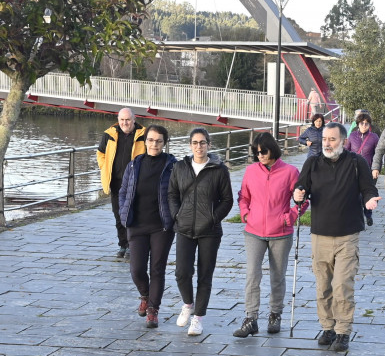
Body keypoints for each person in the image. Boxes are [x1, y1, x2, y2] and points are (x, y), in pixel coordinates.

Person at [293, 123, 380, 352]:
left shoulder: (355, 162)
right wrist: (298, 193)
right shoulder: (313, 162)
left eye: (332, 139)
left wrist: (370, 200)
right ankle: (328, 327)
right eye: (324, 139)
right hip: (320, 234)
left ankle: (343, 331)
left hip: (347, 235)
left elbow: (368, 188)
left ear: (342, 140)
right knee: (323, 287)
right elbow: (301, 187)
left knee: (342, 285)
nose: (327, 143)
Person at [233, 132, 302, 338]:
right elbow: (243, 196)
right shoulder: (250, 171)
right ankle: (251, 318)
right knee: (252, 275)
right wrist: (245, 213)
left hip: (280, 232)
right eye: (256, 152)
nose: (260, 155)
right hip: (253, 231)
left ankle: (275, 314)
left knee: (277, 276)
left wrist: (289, 217)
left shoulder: (290, 172)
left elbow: (302, 200)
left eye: (263, 151)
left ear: (273, 148)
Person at [168, 128, 234, 336]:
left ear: (209, 145)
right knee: (182, 272)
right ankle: (188, 304)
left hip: (210, 231)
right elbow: (172, 193)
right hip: (185, 227)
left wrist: (214, 218)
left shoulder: (219, 170)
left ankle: (198, 318)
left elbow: (227, 200)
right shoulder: (180, 167)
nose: (199, 146)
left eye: (203, 143)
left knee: (205, 275)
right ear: (190, 145)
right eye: (195, 143)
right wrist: (177, 214)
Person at [118, 125, 176, 328]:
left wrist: (174, 215)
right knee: (137, 269)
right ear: (145, 142)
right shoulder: (135, 164)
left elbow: (179, 192)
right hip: (136, 224)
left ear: (164, 143)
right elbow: (123, 191)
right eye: (150, 140)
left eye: (158, 141)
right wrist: (124, 211)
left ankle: (153, 309)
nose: (154, 144)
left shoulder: (172, 165)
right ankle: (145, 294)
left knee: (157, 269)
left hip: (161, 226)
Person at [97, 107, 147, 259]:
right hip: (116, 182)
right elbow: (101, 153)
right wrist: (105, 168)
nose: (125, 123)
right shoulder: (109, 134)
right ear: (118, 120)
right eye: (122, 120)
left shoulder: (143, 134)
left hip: (135, 182)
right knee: (119, 215)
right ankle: (123, 245)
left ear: (134, 119)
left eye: (128, 120)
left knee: (133, 215)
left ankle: (133, 246)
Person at [346, 112, 379, 224]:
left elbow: (378, 154)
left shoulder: (374, 137)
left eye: (366, 123)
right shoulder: (352, 136)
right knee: (355, 193)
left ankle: (368, 214)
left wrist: (376, 168)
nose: (364, 125)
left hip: (368, 170)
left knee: (368, 193)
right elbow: (346, 152)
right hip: (353, 170)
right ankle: (356, 215)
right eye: (362, 123)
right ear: (358, 124)